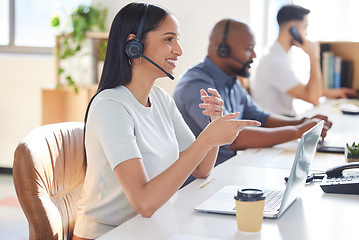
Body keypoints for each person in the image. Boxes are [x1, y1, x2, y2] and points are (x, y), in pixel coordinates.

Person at [72, 3, 260, 240]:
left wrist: (214, 123)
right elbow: (145, 203)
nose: (178, 50)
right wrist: (207, 139)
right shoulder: (111, 106)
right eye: (168, 39)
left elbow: (202, 169)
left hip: (149, 227)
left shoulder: (160, 98)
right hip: (110, 233)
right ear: (134, 45)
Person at [173, 18, 332, 169]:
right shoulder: (196, 85)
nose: (254, 56)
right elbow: (232, 137)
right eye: (249, 49)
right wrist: (298, 131)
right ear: (223, 49)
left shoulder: (231, 81)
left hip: (224, 172)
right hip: (197, 185)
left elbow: (260, 117)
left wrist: (302, 122)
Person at [251, 4, 358, 117]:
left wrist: (331, 93)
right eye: (305, 28)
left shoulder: (279, 54)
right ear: (292, 29)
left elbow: (302, 89)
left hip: (282, 119)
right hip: (276, 124)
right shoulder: (274, 60)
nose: (306, 34)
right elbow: (313, 98)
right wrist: (313, 56)